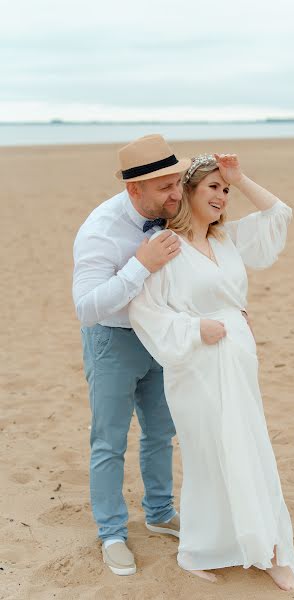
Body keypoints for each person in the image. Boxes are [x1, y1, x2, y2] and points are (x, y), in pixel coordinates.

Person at [128, 153, 294, 591]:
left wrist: (239, 176)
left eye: (224, 190)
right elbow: (143, 310)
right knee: (209, 456)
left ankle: (265, 548)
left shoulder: (227, 240)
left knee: (249, 446)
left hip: (238, 358)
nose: (221, 196)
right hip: (197, 364)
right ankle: (200, 550)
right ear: (187, 192)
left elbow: (277, 213)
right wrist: (194, 328)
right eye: (212, 187)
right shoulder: (168, 246)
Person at [72, 134, 192, 575]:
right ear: (133, 189)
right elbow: (86, 307)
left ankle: (160, 514)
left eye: (176, 182)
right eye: (164, 187)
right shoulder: (100, 230)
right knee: (109, 442)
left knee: (161, 432)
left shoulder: (173, 211)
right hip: (112, 341)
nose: (176, 194)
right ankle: (112, 533)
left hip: (160, 338)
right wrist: (141, 263)